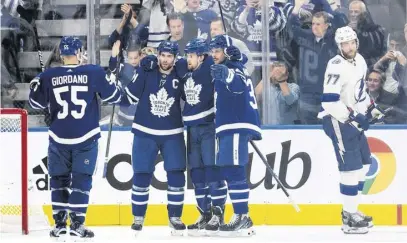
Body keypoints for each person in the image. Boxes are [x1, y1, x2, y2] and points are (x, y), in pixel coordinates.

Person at [28, 36, 122, 239]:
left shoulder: (49, 75)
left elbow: (36, 104)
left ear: (61, 55)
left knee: (58, 180)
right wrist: (113, 75)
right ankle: (77, 224)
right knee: (81, 180)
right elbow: (114, 97)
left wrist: (35, 84)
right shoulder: (94, 71)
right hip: (85, 138)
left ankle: (60, 224)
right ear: (79, 53)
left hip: (58, 138)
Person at [318, 26, 382, 234]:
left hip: (351, 119)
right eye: (344, 44)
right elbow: (329, 101)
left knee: (364, 163)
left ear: (356, 42)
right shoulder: (336, 65)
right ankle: (349, 216)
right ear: (339, 46)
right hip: (337, 119)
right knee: (350, 168)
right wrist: (354, 117)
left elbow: (359, 93)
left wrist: (371, 109)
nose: (349, 46)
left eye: (351, 42)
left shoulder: (361, 61)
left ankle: (352, 209)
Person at [123, 40, 187, 235]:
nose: (165, 59)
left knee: (176, 175)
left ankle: (175, 217)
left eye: (169, 56)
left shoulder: (180, 73)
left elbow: (192, 99)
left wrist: (187, 72)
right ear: (158, 55)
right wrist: (138, 71)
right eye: (163, 55)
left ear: (175, 58)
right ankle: (138, 218)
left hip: (173, 132)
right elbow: (128, 98)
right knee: (141, 174)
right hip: (145, 131)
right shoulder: (147, 69)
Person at [209, 34, 262, 236]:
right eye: (212, 51)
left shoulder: (232, 69)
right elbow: (241, 64)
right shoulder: (233, 64)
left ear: (226, 51)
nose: (214, 55)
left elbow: (238, 84)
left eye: (217, 51)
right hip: (229, 125)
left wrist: (229, 71)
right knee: (229, 170)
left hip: (235, 124)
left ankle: (242, 216)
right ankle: (242, 215)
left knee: (234, 170)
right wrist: (235, 59)